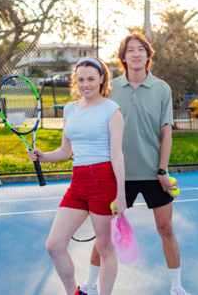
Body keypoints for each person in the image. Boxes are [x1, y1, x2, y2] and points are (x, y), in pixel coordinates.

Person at [79, 32, 191, 295]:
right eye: (130, 50)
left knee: (166, 228)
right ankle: (89, 285)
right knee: (105, 236)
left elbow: (166, 133)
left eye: (141, 49)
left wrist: (162, 171)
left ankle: (176, 287)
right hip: (117, 175)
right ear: (123, 57)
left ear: (148, 56)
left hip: (153, 174)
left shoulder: (162, 88)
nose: (136, 53)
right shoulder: (110, 89)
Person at [27, 57, 126, 295]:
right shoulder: (70, 109)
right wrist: (43, 156)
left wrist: (121, 195)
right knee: (54, 246)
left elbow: (117, 155)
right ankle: (75, 293)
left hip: (104, 183)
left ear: (102, 79)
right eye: (80, 79)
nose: (85, 84)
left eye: (91, 79)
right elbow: (66, 150)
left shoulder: (112, 110)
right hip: (78, 183)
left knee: (104, 248)